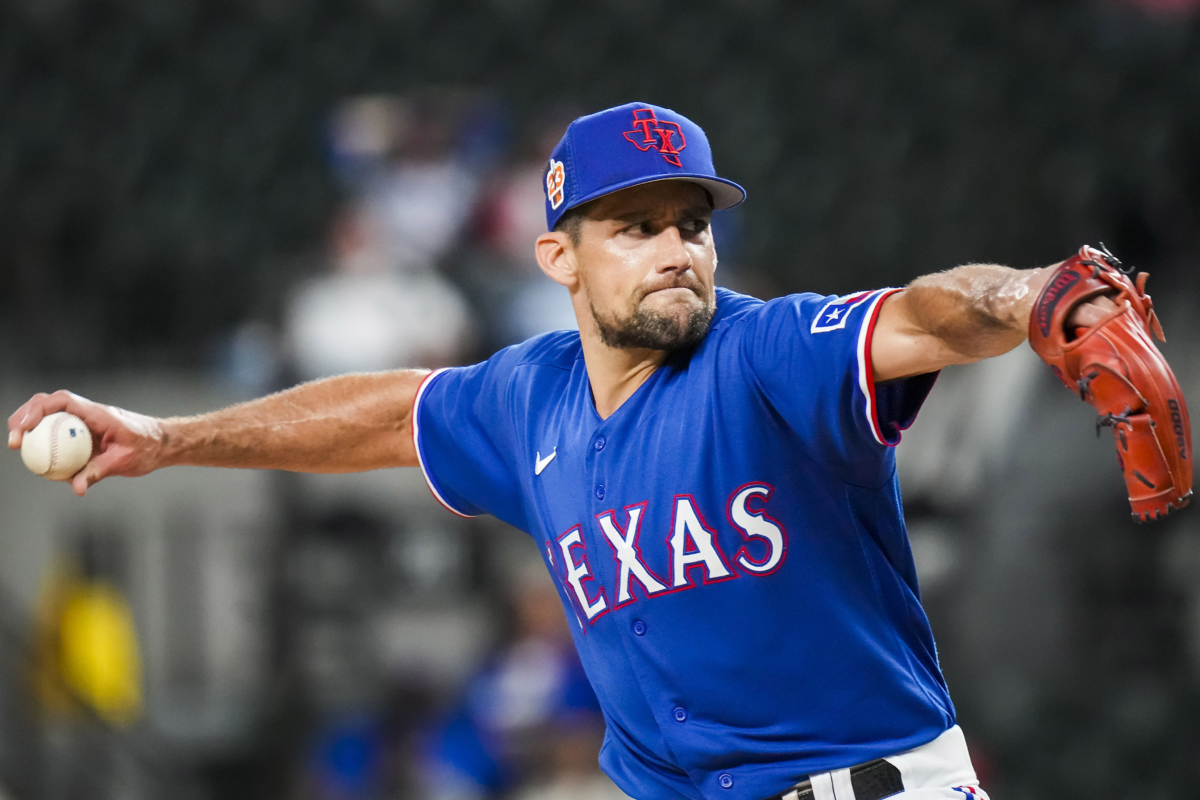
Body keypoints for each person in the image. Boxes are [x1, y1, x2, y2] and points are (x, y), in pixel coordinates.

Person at [9, 102, 1121, 800]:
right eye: (634, 227)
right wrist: (169, 437)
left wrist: (1031, 297)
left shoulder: (766, 350)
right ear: (560, 256)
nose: (677, 249)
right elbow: (385, 412)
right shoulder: (528, 397)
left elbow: (925, 315)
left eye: (691, 221)